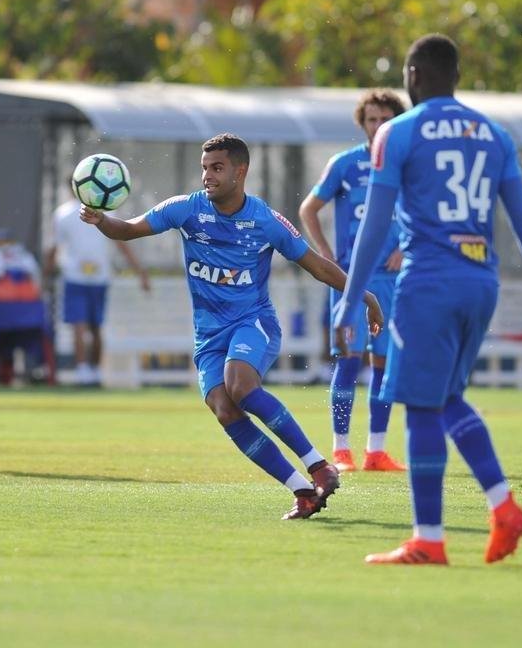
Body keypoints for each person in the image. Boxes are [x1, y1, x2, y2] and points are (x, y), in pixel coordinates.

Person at [334, 34, 522, 565]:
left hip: (427, 284)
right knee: (447, 399)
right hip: (480, 283)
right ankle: (504, 508)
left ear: (412, 76)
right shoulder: (495, 135)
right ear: (456, 76)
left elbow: (373, 225)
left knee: (419, 407)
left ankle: (428, 540)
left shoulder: (397, 133)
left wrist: (350, 300)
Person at [80, 133, 384, 519]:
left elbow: (318, 266)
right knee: (224, 407)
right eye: (205, 168)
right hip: (209, 335)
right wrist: (101, 219)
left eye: (217, 168)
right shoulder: (185, 210)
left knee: (240, 385)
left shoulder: (265, 220)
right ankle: (302, 489)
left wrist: (366, 296)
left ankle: (319, 465)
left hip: (253, 322)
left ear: (241, 172)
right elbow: (128, 230)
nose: (208, 175)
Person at [298, 89, 407, 472]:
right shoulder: (345, 164)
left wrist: (406, 249)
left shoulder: (408, 164)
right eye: (372, 119)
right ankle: (341, 450)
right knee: (348, 361)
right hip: (352, 282)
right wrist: (326, 253)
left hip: (392, 281)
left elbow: (426, 215)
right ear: (362, 123)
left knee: (385, 363)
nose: (378, 126)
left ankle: (376, 451)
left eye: (385, 119)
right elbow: (309, 208)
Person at [47, 187, 150, 385]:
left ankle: (90, 370)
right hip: (76, 277)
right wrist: (140, 272)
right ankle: (85, 370)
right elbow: (55, 246)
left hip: (96, 278)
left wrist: (140, 272)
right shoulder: (66, 213)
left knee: (92, 327)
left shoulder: (104, 213)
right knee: (84, 325)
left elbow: (121, 241)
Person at [0, 227, 48, 384]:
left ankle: (34, 371)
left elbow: (35, 277)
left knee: (27, 339)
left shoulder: (20, 256)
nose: (1, 245)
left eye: (4, 241)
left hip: (23, 307)